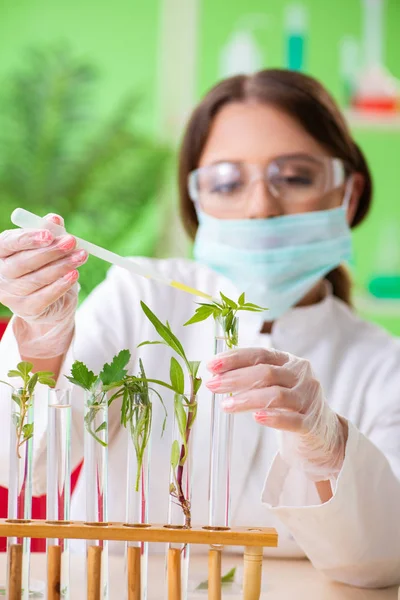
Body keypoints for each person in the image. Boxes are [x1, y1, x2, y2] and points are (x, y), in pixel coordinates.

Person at [0, 69, 400, 588]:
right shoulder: (140, 296)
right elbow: (28, 468)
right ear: (197, 202)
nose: (260, 207)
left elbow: (381, 562)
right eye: (227, 182)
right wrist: (40, 343)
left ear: (347, 195)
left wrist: (329, 446)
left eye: (296, 176)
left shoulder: (383, 365)